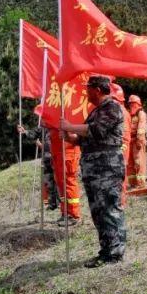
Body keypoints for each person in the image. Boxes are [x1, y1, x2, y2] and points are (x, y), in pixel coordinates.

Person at [60, 75, 127, 267]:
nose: (85, 91)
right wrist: (69, 136)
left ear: (97, 89)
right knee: (99, 211)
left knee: (109, 210)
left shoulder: (112, 107)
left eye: (88, 88)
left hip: (106, 168)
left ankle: (114, 254)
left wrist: (70, 126)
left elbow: (97, 131)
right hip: (95, 170)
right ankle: (106, 251)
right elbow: (84, 139)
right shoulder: (96, 111)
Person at [126, 95, 147, 195]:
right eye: (130, 103)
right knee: (130, 163)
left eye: (133, 103)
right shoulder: (129, 114)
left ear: (138, 104)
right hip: (130, 141)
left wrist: (140, 141)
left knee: (138, 162)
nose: (132, 105)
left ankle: (141, 184)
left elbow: (141, 128)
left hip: (137, 142)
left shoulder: (141, 114)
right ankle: (133, 183)